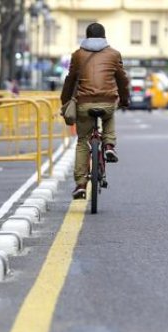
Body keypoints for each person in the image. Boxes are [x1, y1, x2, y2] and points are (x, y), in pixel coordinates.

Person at [60, 22, 129, 199]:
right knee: (109, 115)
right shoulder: (114, 54)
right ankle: (109, 145)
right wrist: (124, 100)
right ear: (104, 37)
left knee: (83, 141)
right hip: (107, 102)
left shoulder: (77, 55)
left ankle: (81, 185)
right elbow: (122, 80)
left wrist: (65, 101)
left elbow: (70, 80)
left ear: (86, 36)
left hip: (84, 103)